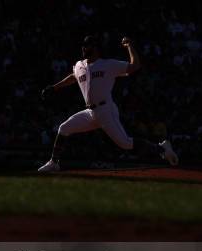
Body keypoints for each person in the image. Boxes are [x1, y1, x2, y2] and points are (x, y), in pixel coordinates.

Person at [38, 35, 179, 172]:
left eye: (87, 45)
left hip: (106, 110)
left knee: (125, 143)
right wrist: (54, 88)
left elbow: (134, 66)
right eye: (83, 45)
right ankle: (54, 162)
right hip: (90, 112)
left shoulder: (108, 65)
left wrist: (130, 46)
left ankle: (162, 148)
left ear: (95, 48)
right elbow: (73, 77)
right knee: (64, 128)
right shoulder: (79, 65)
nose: (83, 48)